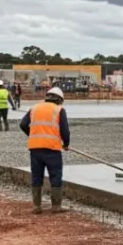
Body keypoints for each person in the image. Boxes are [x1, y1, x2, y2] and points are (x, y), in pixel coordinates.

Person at [19, 86, 70, 214]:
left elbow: (23, 124)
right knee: (55, 175)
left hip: (35, 148)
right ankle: (56, 207)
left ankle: (37, 207)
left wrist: (33, 135)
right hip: (52, 148)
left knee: (36, 176)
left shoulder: (34, 108)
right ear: (59, 100)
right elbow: (65, 131)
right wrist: (66, 143)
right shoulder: (59, 110)